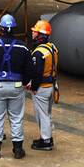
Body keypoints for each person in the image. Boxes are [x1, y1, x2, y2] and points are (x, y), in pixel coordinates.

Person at [0, 14, 33, 160]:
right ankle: (18, 150)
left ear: (1, 28)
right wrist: (24, 82)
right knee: (16, 118)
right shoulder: (23, 47)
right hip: (16, 86)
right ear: (14, 29)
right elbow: (29, 68)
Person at [29, 19, 59, 151]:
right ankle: (47, 137)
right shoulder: (52, 48)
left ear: (40, 35)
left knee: (42, 115)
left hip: (42, 88)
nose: (33, 34)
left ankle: (46, 140)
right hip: (51, 86)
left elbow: (37, 73)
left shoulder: (39, 52)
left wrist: (33, 87)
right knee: (47, 113)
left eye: (35, 32)